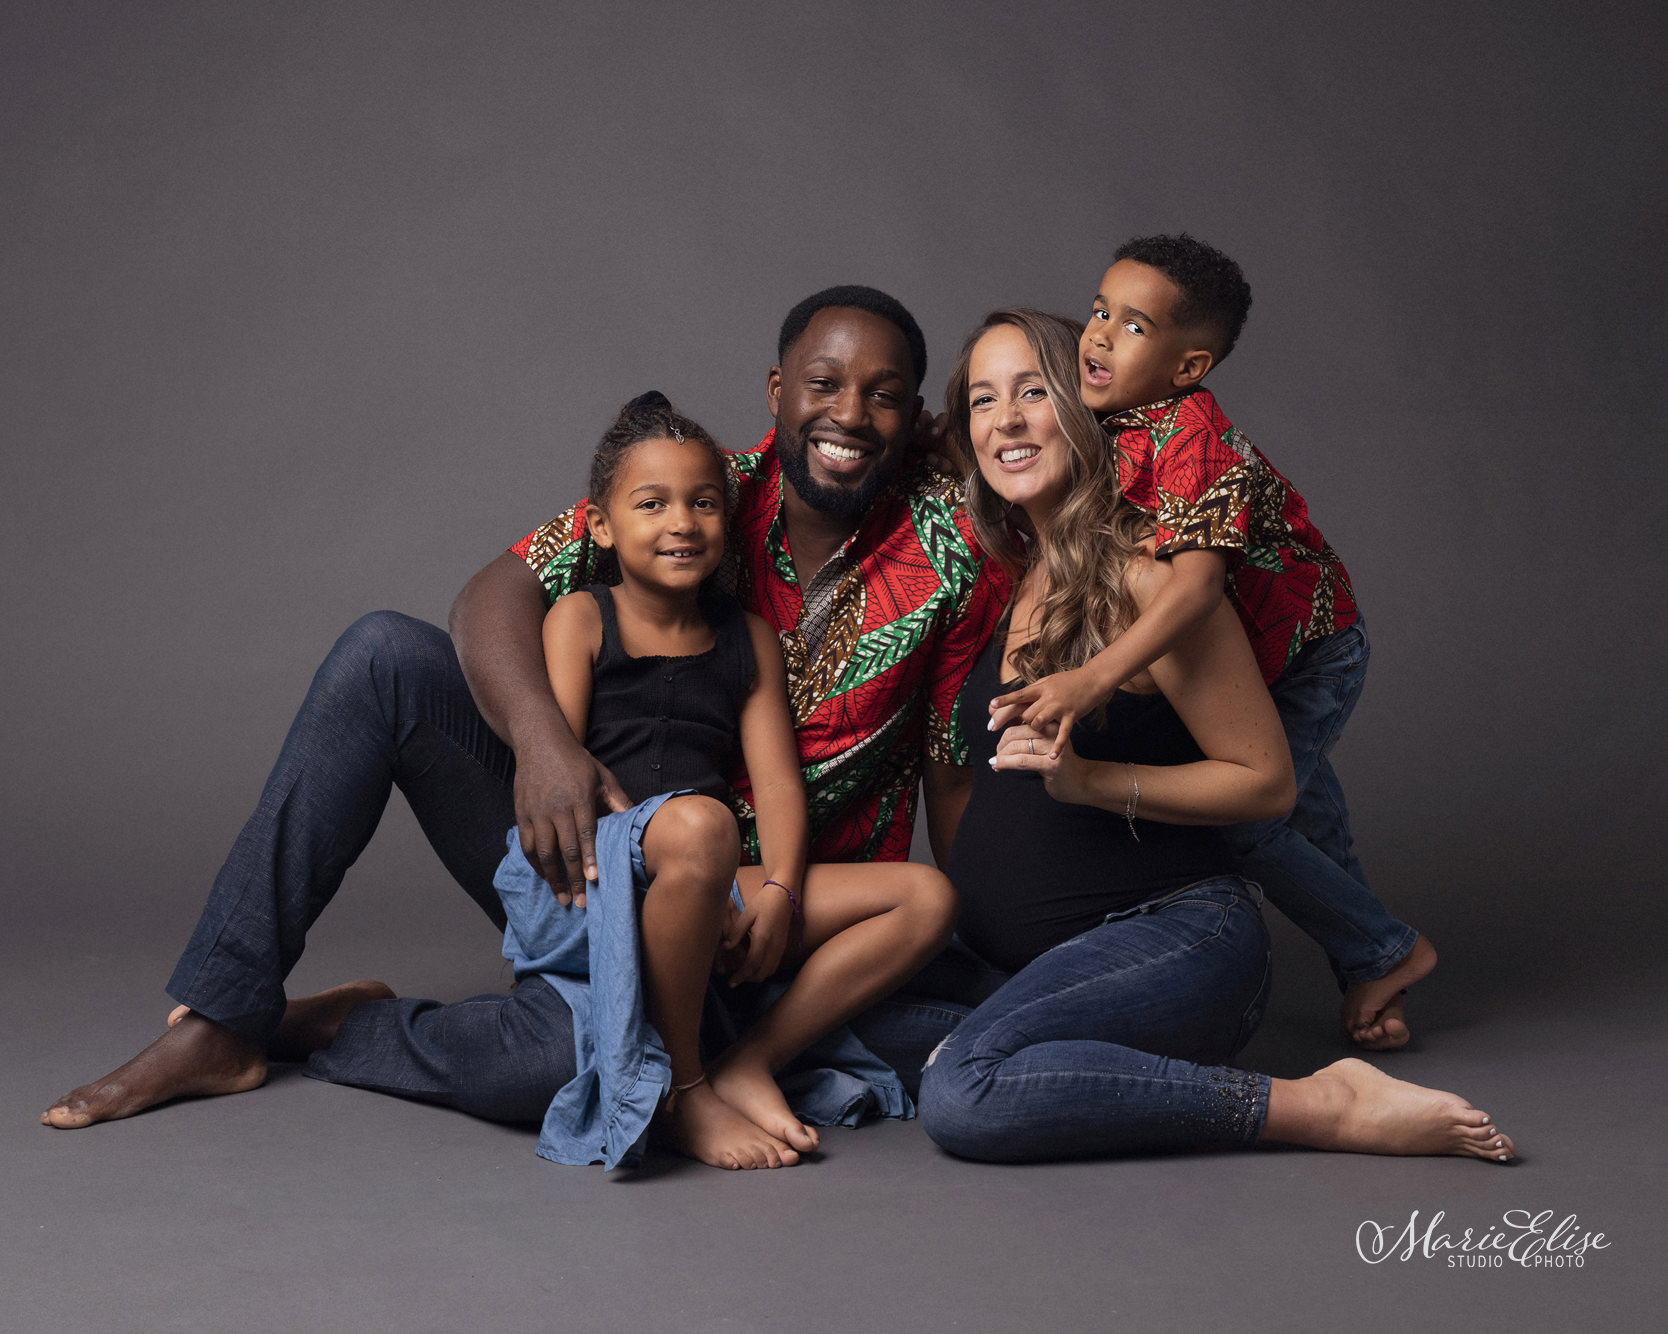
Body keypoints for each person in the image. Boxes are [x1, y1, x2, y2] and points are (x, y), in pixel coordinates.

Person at [42, 285, 1004, 1132]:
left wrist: (966, 927)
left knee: (568, 1067)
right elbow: (492, 595)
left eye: (882, 396)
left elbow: (952, 763)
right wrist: (545, 744)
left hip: (770, 916)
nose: (848, 415)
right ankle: (223, 1016)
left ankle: (352, 1022)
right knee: (382, 653)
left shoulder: (953, 544)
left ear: (911, 411)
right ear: (775, 393)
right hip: (593, 852)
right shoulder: (703, 489)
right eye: (823, 386)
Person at [914, 309, 1514, 1164]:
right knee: (842, 1004)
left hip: (1175, 936)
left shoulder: (1146, 582)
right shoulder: (1020, 578)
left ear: (1087, 410)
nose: (1003, 420)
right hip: (1025, 962)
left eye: (1033, 392)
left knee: (961, 1095)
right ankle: (1026, 1048)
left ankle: (1316, 1105)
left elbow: (1265, 782)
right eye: (981, 399)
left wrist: (1088, 781)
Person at [990, 235, 1432, 1049]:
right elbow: (1015, 423)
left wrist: (1091, 680)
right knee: (1316, 827)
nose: (1096, 335)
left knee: (1253, 820)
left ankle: (1387, 950)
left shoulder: (1193, 436)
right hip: (1262, 651)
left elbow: (1193, 589)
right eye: (1097, 310)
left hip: (1311, 650)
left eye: (1130, 326)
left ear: (1188, 367)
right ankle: (1374, 965)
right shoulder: (1117, 415)